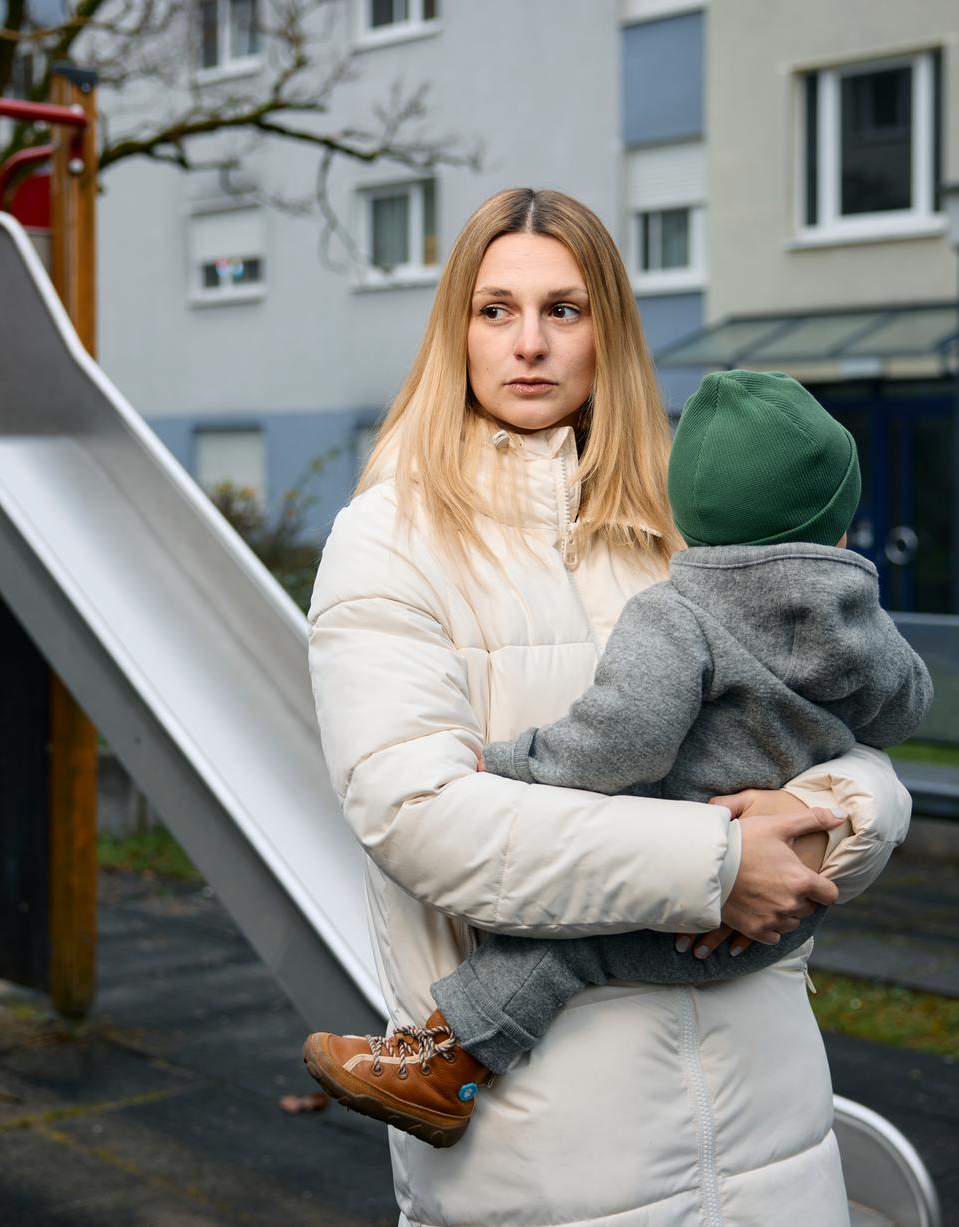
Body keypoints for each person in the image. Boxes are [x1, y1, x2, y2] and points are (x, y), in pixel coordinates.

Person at [305, 189, 913, 1227]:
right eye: (496, 310)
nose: (530, 343)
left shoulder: (692, 532)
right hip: (549, 1159)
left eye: (564, 309)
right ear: (456, 331)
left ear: (609, 333)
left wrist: (837, 815)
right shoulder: (388, 540)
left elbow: (850, 740)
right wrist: (717, 865)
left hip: (769, 1133)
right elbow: (421, 816)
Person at [303, 368, 932, 1149]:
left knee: (558, 948)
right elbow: (903, 710)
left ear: (690, 511)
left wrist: (516, 763)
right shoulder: (863, 624)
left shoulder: (678, 614)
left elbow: (621, 742)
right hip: (776, 921)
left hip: (678, 908)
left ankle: (448, 1065)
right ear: (837, 522)